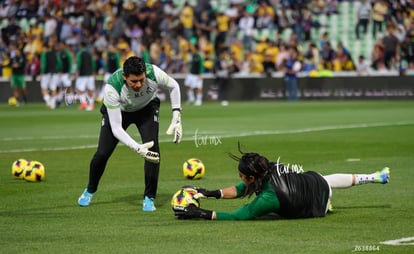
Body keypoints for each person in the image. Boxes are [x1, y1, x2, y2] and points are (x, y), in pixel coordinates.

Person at [77, 56, 182, 212]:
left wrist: (176, 115)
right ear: (125, 77)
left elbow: (174, 86)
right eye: (133, 81)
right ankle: (90, 190)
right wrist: (136, 147)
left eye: (141, 80)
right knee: (103, 153)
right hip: (120, 112)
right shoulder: (112, 87)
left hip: (146, 110)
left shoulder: (154, 72)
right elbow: (117, 128)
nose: (139, 84)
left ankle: (149, 198)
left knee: (153, 153)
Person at [173, 146, 390, 220]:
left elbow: (240, 215)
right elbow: (242, 189)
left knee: (269, 213)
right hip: (317, 184)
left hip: (316, 208)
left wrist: (201, 213)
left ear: (251, 177)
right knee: (326, 179)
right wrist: (210, 193)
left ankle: (330, 201)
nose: (240, 179)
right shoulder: (268, 165)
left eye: (241, 176)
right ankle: (374, 177)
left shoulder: (268, 198)